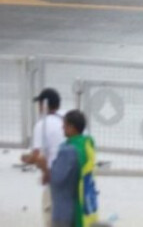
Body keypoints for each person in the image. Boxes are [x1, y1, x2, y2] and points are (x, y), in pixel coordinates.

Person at [45, 110, 98, 227]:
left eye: (64, 125)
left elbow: (56, 180)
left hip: (64, 211)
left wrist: (42, 165)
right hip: (82, 206)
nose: (62, 127)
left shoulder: (68, 150)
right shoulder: (86, 145)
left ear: (72, 127)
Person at [21, 88, 64, 227]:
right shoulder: (67, 119)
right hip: (72, 173)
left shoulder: (42, 124)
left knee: (49, 213)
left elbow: (38, 157)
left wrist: (27, 159)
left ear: (44, 105)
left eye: (39, 104)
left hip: (54, 175)